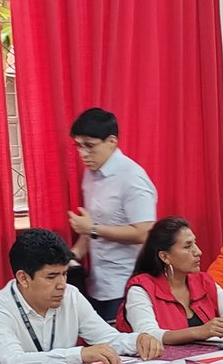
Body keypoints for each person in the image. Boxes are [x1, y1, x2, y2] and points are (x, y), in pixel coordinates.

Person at [0, 229, 161, 364]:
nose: (62, 285)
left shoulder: (70, 295)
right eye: (51, 276)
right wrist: (80, 355)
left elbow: (108, 339)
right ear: (23, 278)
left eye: (64, 274)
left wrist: (138, 340)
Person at [66, 108, 158, 323]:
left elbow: (145, 233)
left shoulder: (132, 177)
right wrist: (72, 255)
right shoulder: (90, 174)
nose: (83, 153)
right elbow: (91, 224)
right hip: (97, 283)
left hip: (126, 284)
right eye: (78, 146)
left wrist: (93, 229)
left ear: (112, 141)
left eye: (89, 146)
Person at [119, 217, 223, 344]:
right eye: (187, 246)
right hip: (161, 363)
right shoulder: (140, 289)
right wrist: (198, 332)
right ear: (165, 257)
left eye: (195, 244)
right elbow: (147, 335)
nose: (198, 252)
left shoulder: (202, 281)